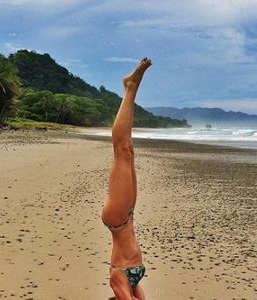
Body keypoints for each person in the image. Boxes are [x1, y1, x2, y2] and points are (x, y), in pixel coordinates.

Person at [101, 58, 152, 300]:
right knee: (129, 150)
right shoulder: (132, 284)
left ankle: (131, 86)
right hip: (128, 215)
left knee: (121, 149)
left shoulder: (117, 281)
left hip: (118, 219)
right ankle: (128, 89)